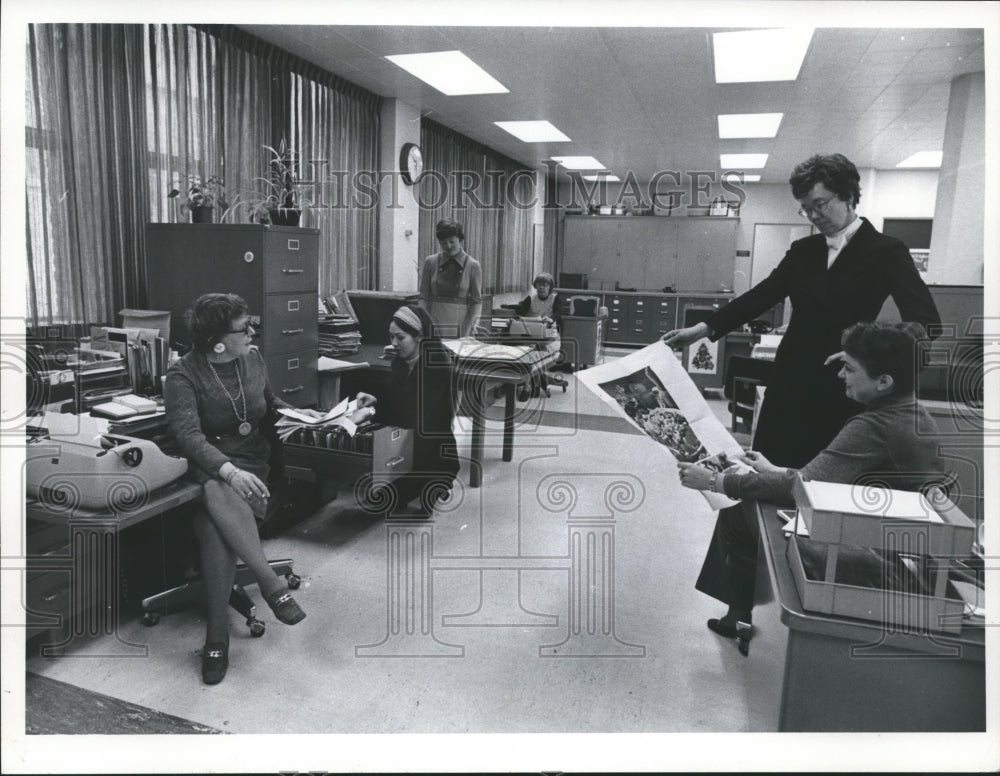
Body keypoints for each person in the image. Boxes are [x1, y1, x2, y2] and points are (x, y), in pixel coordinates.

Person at [677, 321, 949, 655]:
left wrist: (716, 480)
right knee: (748, 503)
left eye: (849, 368)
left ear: (883, 382)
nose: (840, 375)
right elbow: (826, 477)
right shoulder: (912, 413)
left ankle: (744, 618)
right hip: (902, 545)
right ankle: (740, 617)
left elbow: (802, 487)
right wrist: (774, 469)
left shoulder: (875, 426)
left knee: (744, 504)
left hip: (881, 559)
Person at [663, 153, 940, 469]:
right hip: (789, 378)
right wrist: (703, 329)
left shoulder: (886, 252)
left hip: (840, 385)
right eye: (805, 208)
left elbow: (926, 323)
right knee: (765, 467)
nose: (812, 215)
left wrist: (871, 356)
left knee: (814, 479)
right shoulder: (803, 252)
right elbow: (762, 296)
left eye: (819, 204)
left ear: (848, 196)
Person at [164, 293, 321, 685]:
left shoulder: (253, 359)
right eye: (244, 328)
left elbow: (269, 403)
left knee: (210, 526)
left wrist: (308, 415)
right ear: (217, 340)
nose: (252, 332)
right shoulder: (183, 376)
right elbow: (188, 435)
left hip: (253, 461)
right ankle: (270, 584)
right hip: (208, 463)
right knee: (217, 491)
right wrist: (228, 470)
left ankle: (217, 636)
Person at [354, 305, 460, 517]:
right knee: (380, 501)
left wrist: (373, 412)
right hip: (407, 440)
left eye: (400, 337)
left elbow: (413, 414)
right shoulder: (401, 363)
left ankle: (436, 484)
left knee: (387, 499)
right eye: (391, 336)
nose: (393, 343)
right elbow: (398, 401)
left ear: (419, 336)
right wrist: (375, 400)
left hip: (430, 447)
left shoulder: (438, 367)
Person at [419, 218, 483, 338]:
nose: (448, 246)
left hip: (461, 325)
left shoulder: (473, 265)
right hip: (434, 322)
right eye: (443, 242)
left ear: (460, 239)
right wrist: (421, 320)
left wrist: (475, 323)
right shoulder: (430, 262)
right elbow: (423, 297)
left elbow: (476, 301)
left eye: (452, 241)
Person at [512, 271, 567, 395]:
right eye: (539, 285)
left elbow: (559, 313)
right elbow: (520, 312)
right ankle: (530, 383)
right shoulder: (530, 299)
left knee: (535, 354)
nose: (541, 287)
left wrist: (551, 319)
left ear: (550, 287)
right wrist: (515, 319)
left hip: (551, 337)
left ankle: (528, 386)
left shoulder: (555, 299)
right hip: (533, 336)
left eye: (545, 285)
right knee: (529, 353)